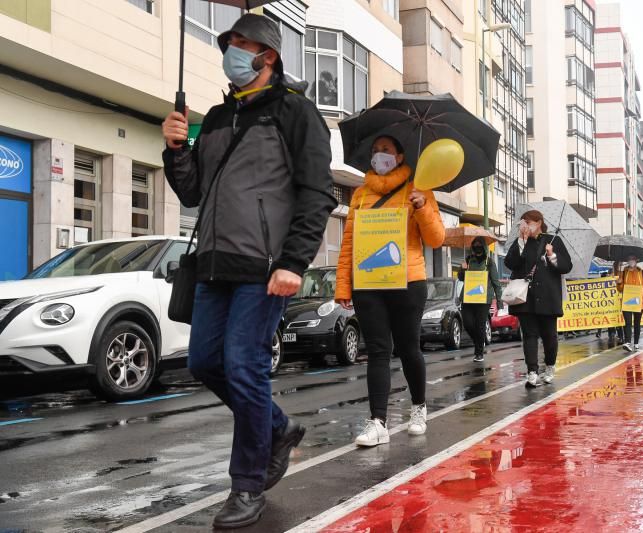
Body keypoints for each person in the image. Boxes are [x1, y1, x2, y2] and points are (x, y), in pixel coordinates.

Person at [161, 14, 337, 529]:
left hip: (265, 270)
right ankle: (277, 428)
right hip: (214, 263)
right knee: (204, 364)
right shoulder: (216, 116)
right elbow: (194, 191)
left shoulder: (296, 112)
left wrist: (293, 263)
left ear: (269, 55)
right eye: (229, 43)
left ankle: (247, 483)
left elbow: (317, 194)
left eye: (242, 43)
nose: (232, 51)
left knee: (243, 366)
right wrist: (176, 152)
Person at [335, 136, 445, 447]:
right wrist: (343, 284)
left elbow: (436, 239)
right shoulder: (359, 195)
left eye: (385, 151)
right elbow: (349, 245)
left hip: (408, 281)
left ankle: (419, 408)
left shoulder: (418, 189)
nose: (378, 156)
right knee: (378, 351)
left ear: (399, 156)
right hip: (369, 283)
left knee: (409, 347)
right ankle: (378, 422)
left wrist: (422, 207)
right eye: (374, 151)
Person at [504, 210, 573, 388]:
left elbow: (566, 266)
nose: (525, 226)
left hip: (548, 297)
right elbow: (510, 263)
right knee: (529, 335)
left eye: (528, 222)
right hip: (526, 297)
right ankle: (532, 371)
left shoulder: (553, 240)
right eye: (523, 223)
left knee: (550, 336)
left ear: (539, 222)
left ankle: (549, 367)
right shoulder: (521, 242)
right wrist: (521, 241)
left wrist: (552, 256)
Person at [458, 237, 503, 362]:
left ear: (483, 247)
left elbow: (496, 282)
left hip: (483, 299)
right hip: (468, 297)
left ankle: (479, 353)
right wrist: (463, 269)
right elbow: (461, 278)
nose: (477, 247)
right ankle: (479, 341)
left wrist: (499, 300)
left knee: (480, 325)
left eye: (479, 245)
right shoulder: (468, 260)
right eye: (475, 245)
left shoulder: (489, 262)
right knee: (467, 323)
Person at [617, 254, 643, 352]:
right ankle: (627, 342)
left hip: (639, 302)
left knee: (637, 323)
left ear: (636, 261)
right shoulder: (624, 273)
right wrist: (619, 283)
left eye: (633, 259)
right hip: (627, 301)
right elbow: (620, 289)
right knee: (627, 323)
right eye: (629, 259)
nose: (631, 261)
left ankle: (636, 343)